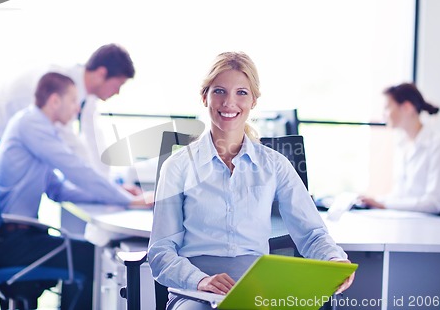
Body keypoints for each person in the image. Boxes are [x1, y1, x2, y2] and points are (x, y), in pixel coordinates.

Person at [147, 52, 354, 310]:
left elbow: (311, 233)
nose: (229, 102)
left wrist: (334, 259)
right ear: (205, 97)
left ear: (254, 100)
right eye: (219, 91)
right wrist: (200, 280)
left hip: (257, 288)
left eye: (242, 93)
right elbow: (161, 251)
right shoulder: (178, 166)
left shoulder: (274, 165)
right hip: (195, 291)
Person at [0, 43, 137, 309]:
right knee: (92, 257)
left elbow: (59, 189)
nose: (77, 110)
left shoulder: (39, 129)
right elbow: (75, 167)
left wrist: (113, 190)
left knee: (87, 252)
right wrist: (127, 200)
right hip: (10, 242)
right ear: (55, 101)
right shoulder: (32, 125)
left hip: (11, 238)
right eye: (72, 104)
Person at [359, 83, 440, 217]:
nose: (384, 114)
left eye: (387, 108)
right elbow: (401, 195)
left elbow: (433, 204)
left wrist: (384, 204)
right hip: (418, 217)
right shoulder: (402, 144)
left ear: (407, 107)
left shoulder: (439, 144)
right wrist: (377, 201)